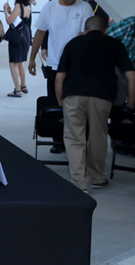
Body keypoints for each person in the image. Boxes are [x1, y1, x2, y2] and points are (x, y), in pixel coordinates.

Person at [55, 16, 135, 191]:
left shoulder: (73, 43)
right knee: (98, 135)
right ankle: (98, 178)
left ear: (85, 30)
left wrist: (61, 104)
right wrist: (130, 104)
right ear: (105, 30)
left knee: (74, 138)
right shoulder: (114, 43)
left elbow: (59, 77)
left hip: (73, 93)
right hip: (102, 95)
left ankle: (79, 182)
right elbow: (130, 75)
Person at [29, 0, 93, 153]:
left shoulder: (85, 8)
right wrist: (32, 58)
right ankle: (58, 140)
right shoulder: (50, 7)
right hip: (54, 63)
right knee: (55, 102)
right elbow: (40, 33)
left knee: (77, 102)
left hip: (78, 65)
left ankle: (77, 139)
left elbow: (87, 36)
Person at [2, 0, 33, 97]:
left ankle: (17, 89)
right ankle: (24, 86)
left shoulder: (18, 6)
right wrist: (11, 11)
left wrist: (6, 11)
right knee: (20, 63)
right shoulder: (28, 7)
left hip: (16, 38)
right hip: (25, 36)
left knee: (13, 64)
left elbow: (10, 21)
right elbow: (19, 19)